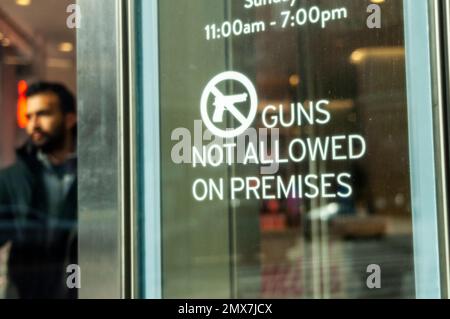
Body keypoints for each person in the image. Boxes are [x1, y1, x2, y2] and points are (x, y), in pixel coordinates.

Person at [0, 82, 77, 299]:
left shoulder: (97, 175)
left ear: (70, 119)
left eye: (43, 114)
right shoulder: (12, 179)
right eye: (30, 116)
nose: (33, 124)